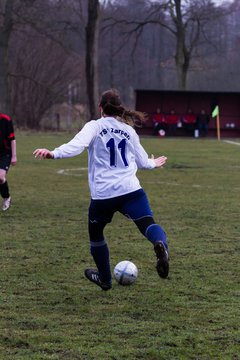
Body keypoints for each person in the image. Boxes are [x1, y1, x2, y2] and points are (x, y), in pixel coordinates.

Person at [33, 89, 169, 291]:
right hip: (131, 190)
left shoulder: (95, 126)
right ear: (119, 108)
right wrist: (153, 163)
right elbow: (142, 161)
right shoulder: (129, 130)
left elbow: (76, 146)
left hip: (104, 195)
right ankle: (160, 244)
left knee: (96, 235)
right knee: (148, 223)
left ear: (100, 108)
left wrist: (54, 153)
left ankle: (105, 279)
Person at [0, 113, 17, 211]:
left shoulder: (5, 119)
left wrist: (14, 156)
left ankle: (6, 198)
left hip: (5, 153)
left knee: (1, 177)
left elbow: (12, 139)